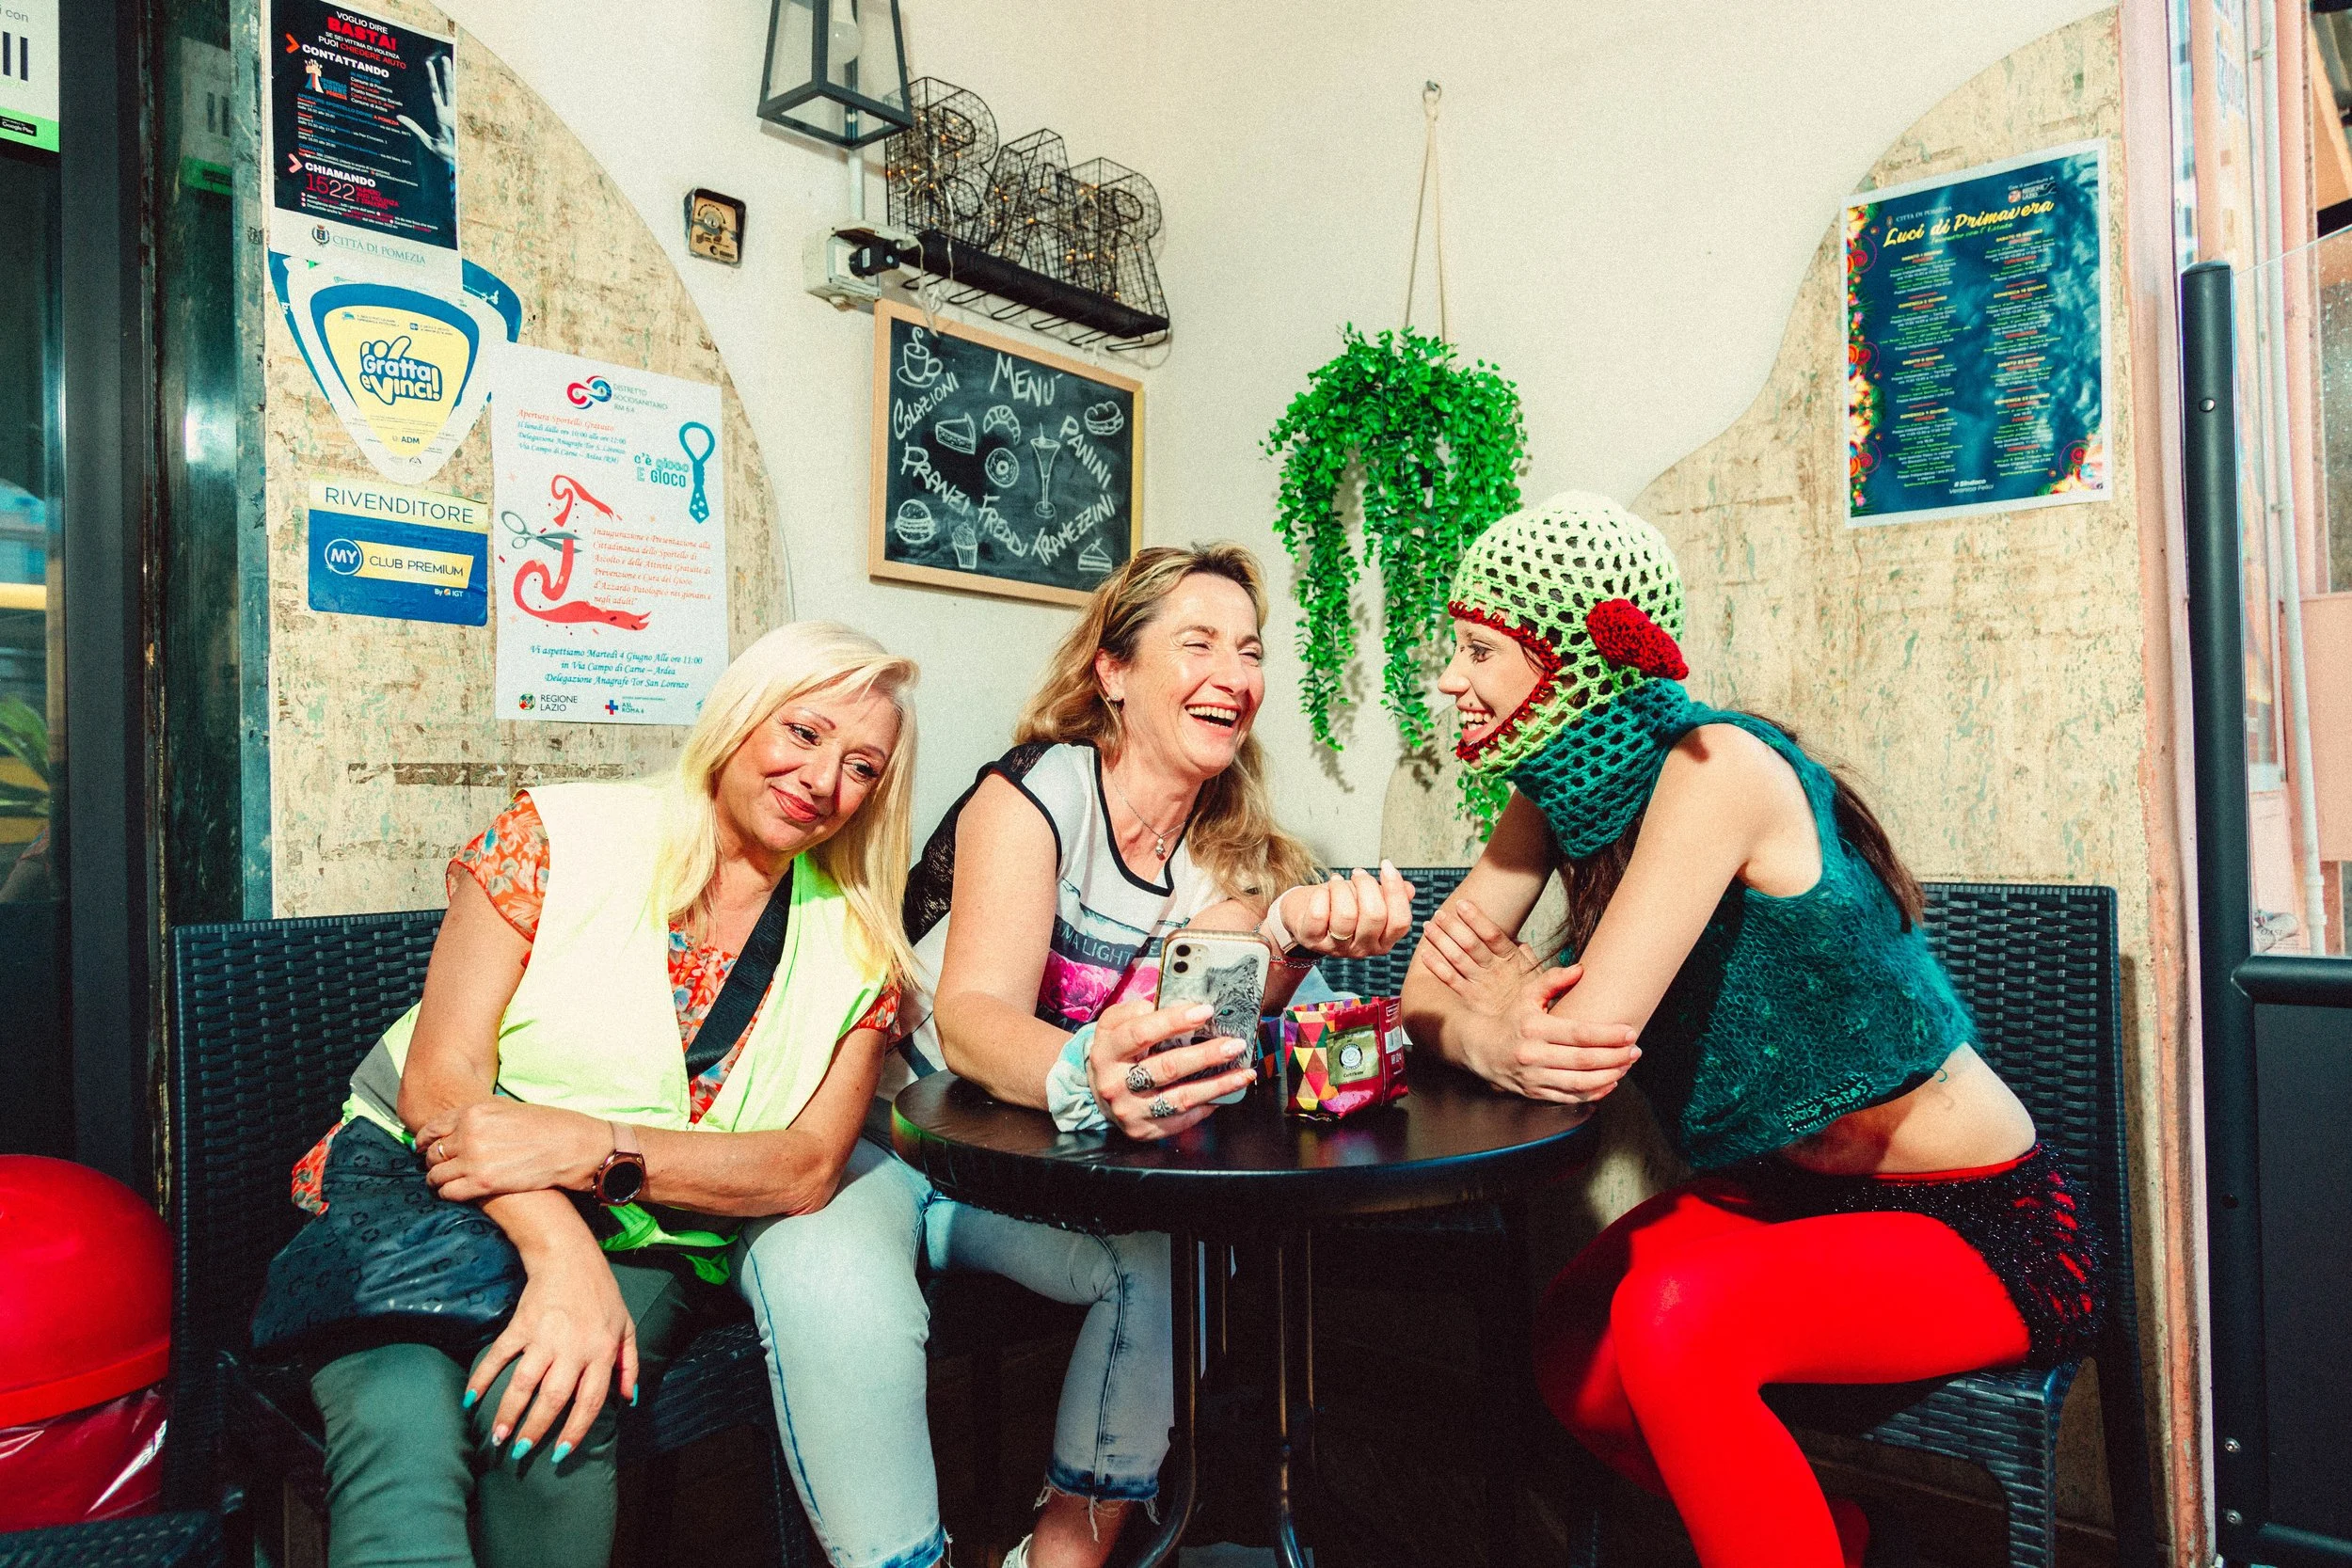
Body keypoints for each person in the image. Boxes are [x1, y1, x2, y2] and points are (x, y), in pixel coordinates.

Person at [1399, 495, 2104, 1568]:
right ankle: (1838, 1541)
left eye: (1479, 648)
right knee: (1575, 1338)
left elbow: (1584, 1043)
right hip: (1789, 1194)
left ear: (1575, 658)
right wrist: (1488, 1032)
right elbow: (1426, 993)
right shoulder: (1556, 792)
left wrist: (1495, 1005)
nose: (1449, 678)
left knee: (1672, 1318)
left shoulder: (1714, 766)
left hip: (1977, 1222)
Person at [736, 543, 1413, 1568]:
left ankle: (1062, 1553)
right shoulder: (1034, 793)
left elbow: (1204, 1026)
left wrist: (1289, 936)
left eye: (1250, 651)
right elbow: (972, 1018)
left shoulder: (1226, 851)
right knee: (832, 1285)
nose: (1234, 674)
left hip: (1022, 1184)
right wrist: (1087, 1071)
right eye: (1198, 643)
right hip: (896, 1147)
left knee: (1169, 1259)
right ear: (1113, 670)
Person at [278, 622, 919, 1568]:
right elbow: (440, 1079)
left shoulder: (863, 946)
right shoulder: (552, 836)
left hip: (647, 1231)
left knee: (548, 1408)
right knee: (397, 1410)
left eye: (862, 766)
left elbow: (805, 1167)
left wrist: (594, 1151)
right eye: (804, 731)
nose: (823, 779)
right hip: (422, 1184)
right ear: (740, 716)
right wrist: (559, 1250)